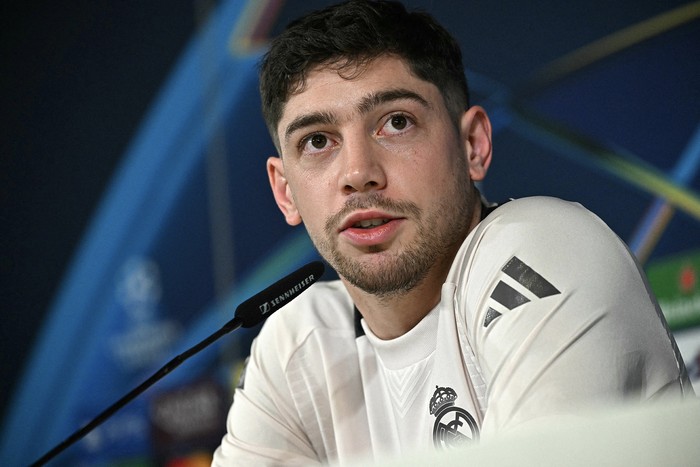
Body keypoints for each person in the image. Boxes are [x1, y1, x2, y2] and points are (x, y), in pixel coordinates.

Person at [213, 1, 693, 464]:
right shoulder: (299, 343)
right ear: (285, 191)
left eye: (396, 123)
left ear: (473, 145)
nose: (358, 172)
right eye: (317, 141)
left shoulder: (542, 247)